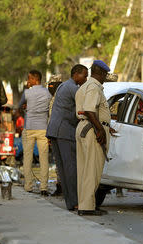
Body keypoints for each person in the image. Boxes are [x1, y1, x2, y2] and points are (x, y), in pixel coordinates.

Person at [47, 65, 88, 210]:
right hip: (64, 132)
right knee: (70, 168)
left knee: (64, 169)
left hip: (55, 130)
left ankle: (71, 202)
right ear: (76, 74)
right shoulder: (73, 89)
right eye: (84, 75)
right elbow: (83, 110)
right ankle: (75, 202)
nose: (86, 78)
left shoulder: (64, 86)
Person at [75, 60, 113, 216]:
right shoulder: (94, 87)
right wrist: (101, 130)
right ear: (102, 73)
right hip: (92, 129)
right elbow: (90, 110)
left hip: (84, 127)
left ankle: (85, 203)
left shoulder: (84, 86)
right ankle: (87, 207)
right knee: (92, 170)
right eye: (106, 74)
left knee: (84, 170)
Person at [19, 70, 52, 196]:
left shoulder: (27, 92)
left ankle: (28, 186)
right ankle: (44, 188)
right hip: (43, 128)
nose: (28, 81)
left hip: (29, 128)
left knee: (27, 158)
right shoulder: (47, 93)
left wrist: (26, 105)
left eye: (29, 78)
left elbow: (19, 105)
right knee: (44, 159)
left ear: (34, 79)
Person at [47, 74, 63, 196]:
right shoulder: (53, 98)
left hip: (60, 134)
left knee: (61, 161)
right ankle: (60, 185)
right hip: (55, 133)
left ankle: (62, 186)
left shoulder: (59, 98)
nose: (50, 87)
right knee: (58, 161)